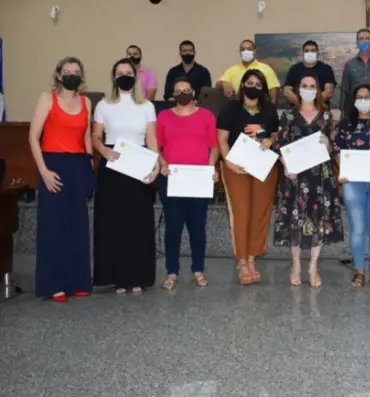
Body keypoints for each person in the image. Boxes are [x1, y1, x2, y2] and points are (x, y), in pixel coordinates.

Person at [28, 57, 95, 302]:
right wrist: (44, 171)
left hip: (78, 165)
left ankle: (78, 281)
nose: (72, 75)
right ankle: (53, 283)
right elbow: (33, 138)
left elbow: (87, 137)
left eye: (76, 72)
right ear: (58, 75)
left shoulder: (86, 101)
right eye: (67, 71)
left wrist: (89, 167)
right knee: (54, 226)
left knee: (77, 225)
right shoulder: (47, 98)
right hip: (53, 165)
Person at [91, 58, 159, 294]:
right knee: (114, 222)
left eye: (128, 72)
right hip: (113, 167)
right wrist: (104, 151)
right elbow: (95, 137)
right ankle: (117, 277)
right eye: (119, 73)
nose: (124, 76)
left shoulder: (147, 106)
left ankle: (137, 276)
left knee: (137, 222)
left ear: (136, 76)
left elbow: (151, 140)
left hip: (138, 167)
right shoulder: (103, 105)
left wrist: (156, 166)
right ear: (114, 77)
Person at [273, 73, 343, 288]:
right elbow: (279, 145)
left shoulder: (326, 116)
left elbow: (334, 148)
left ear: (318, 89)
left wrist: (328, 143)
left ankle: (313, 265)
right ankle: (295, 264)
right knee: (294, 220)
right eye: (304, 85)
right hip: (295, 177)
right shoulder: (288, 115)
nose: (308, 89)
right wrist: (286, 166)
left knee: (319, 218)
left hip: (321, 177)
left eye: (313, 86)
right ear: (297, 89)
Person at [217, 69, 280, 286]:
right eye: (249, 82)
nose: (253, 87)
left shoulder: (269, 110)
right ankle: (242, 262)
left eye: (257, 84)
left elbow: (274, 134)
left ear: (262, 88)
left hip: (263, 168)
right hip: (237, 168)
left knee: (259, 213)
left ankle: (252, 259)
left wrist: (270, 141)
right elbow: (222, 139)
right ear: (242, 84)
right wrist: (228, 162)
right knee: (241, 213)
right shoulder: (230, 109)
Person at [156, 78, 219, 290]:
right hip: (172, 179)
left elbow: (214, 147)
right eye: (177, 91)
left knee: (197, 227)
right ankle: (171, 271)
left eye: (186, 90)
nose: (182, 93)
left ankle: (198, 269)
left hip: (198, 179)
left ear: (193, 92)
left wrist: (210, 168)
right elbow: (157, 147)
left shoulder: (206, 116)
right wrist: (162, 164)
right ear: (172, 94)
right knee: (173, 226)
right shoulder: (163, 116)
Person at [333, 83, 370, 288]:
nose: (363, 101)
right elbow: (337, 149)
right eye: (360, 97)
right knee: (357, 228)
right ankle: (359, 271)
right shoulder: (345, 124)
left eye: (368, 97)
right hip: (353, 182)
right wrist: (343, 168)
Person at [283, 40, 336, 105]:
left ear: (317, 53)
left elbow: (329, 92)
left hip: (320, 110)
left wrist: (313, 105)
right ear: (302, 53)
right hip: (298, 110)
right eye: (307, 51)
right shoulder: (294, 69)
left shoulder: (326, 69)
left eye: (313, 51)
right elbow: (287, 91)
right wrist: (301, 104)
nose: (309, 53)